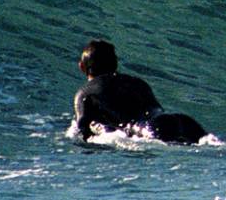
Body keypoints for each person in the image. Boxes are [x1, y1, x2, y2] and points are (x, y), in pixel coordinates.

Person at [70, 39, 209, 143]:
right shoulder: (137, 82)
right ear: (116, 63)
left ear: (82, 67)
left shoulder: (84, 93)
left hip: (149, 130)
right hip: (181, 121)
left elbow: (82, 130)